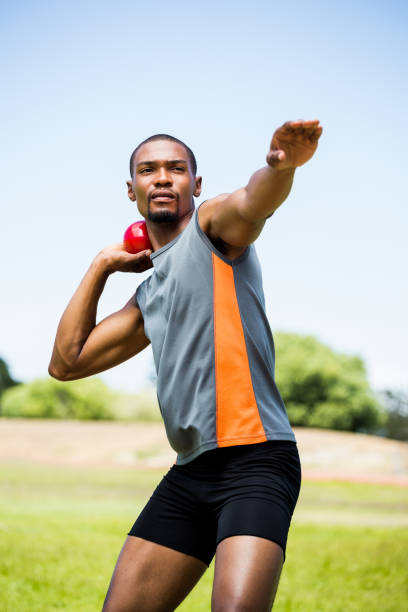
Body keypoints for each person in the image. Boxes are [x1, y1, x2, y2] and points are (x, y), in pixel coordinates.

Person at [48, 119, 322, 612]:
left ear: (195, 185)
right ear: (131, 189)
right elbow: (67, 363)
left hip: (256, 462)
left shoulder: (213, 229)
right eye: (148, 170)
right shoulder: (147, 296)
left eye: (176, 169)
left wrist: (279, 168)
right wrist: (100, 266)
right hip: (189, 473)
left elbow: (253, 203)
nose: (162, 178)